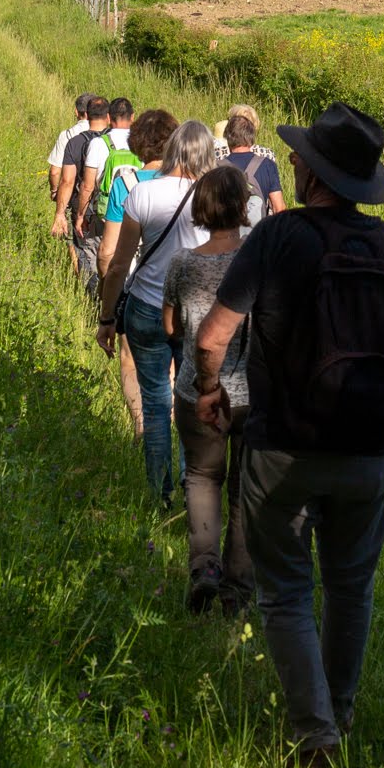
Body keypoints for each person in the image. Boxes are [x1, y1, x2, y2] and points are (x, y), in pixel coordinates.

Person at [192, 102, 384, 768]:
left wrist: (212, 391)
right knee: (350, 587)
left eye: (303, 157)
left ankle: (316, 735)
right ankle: (341, 712)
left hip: (283, 447)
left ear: (312, 174)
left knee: (284, 591)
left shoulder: (278, 238)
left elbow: (213, 336)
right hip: (370, 448)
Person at [96, 117, 216, 500]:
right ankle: (190, 482)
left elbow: (118, 264)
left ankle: (159, 493)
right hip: (197, 312)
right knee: (192, 401)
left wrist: (107, 317)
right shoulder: (213, 198)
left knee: (155, 403)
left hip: (147, 307)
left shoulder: (141, 195)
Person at [164, 163, 253, 615]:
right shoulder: (256, 259)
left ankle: (204, 567)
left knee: (201, 477)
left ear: (200, 208)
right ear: (242, 208)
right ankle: (238, 591)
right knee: (244, 488)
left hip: (196, 390)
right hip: (252, 394)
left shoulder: (182, 262)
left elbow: (170, 326)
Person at [98, 107, 178, 439]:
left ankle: (142, 424)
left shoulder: (126, 183)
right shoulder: (190, 185)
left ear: (136, 143)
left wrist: (107, 308)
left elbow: (109, 255)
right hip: (179, 289)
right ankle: (169, 421)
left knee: (131, 360)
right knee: (171, 364)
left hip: (136, 291)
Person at [72, 96, 135, 283]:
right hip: (135, 210)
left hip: (105, 210)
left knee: (100, 253)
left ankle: (101, 296)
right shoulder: (140, 144)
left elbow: (88, 185)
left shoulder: (99, 144)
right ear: (133, 117)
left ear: (109, 117)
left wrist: (81, 215)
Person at [51, 98, 110, 280]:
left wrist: (60, 213)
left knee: (86, 255)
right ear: (108, 117)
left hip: (83, 208)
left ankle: (91, 299)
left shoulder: (75, 142)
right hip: (113, 207)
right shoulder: (116, 141)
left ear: (86, 115)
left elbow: (67, 181)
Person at [221, 104, 286, 222]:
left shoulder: (215, 162)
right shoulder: (267, 161)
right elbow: (278, 208)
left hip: (224, 236)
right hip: (257, 234)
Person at [48, 93, 94, 203]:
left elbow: (55, 171)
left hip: (73, 194)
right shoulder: (103, 134)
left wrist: (54, 191)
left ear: (76, 112)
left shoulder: (66, 135)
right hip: (98, 196)